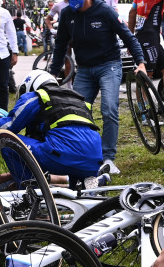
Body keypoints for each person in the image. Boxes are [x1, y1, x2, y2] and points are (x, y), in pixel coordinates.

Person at [50, 0, 147, 176]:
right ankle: (85, 154)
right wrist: (51, 75)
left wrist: (140, 62)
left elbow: (128, 36)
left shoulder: (105, 11)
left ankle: (108, 157)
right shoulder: (67, 14)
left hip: (108, 65)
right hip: (85, 69)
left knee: (109, 109)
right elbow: (60, 46)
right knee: (76, 113)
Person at [0, 70, 108, 189]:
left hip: (61, 157)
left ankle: (30, 192)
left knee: (6, 141)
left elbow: (9, 125)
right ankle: (84, 187)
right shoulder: (79, 101)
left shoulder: (37, 96)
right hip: (93, 161)